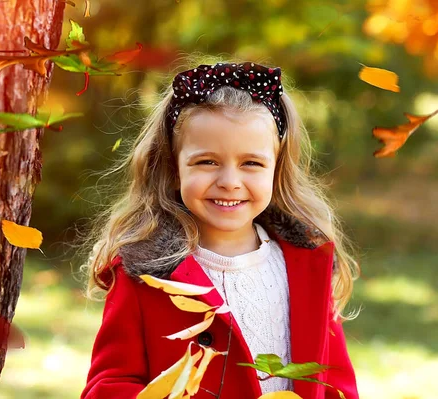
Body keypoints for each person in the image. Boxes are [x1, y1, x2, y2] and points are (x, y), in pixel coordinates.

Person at [80, 61, 360, 399]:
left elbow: (335, 386)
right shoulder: (144, 273)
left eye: (251, 164)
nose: (229, 182)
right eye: (207, 162)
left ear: (277, 169)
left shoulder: (308, 263)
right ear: (173, 168)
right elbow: (109, 385)